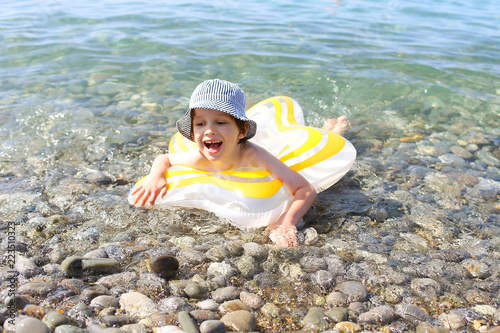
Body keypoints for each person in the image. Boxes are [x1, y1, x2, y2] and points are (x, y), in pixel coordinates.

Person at [132, 79, 349, 247]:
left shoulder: (254, 156)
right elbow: (165, 159)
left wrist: (286, 221)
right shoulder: (199, 157)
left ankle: (334, 127)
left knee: (323, 137)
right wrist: (156, 176)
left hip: (269, 156)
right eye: (200, 123)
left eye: (221, 122)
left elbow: (305, 189)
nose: (209, 129)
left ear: (242, 131)